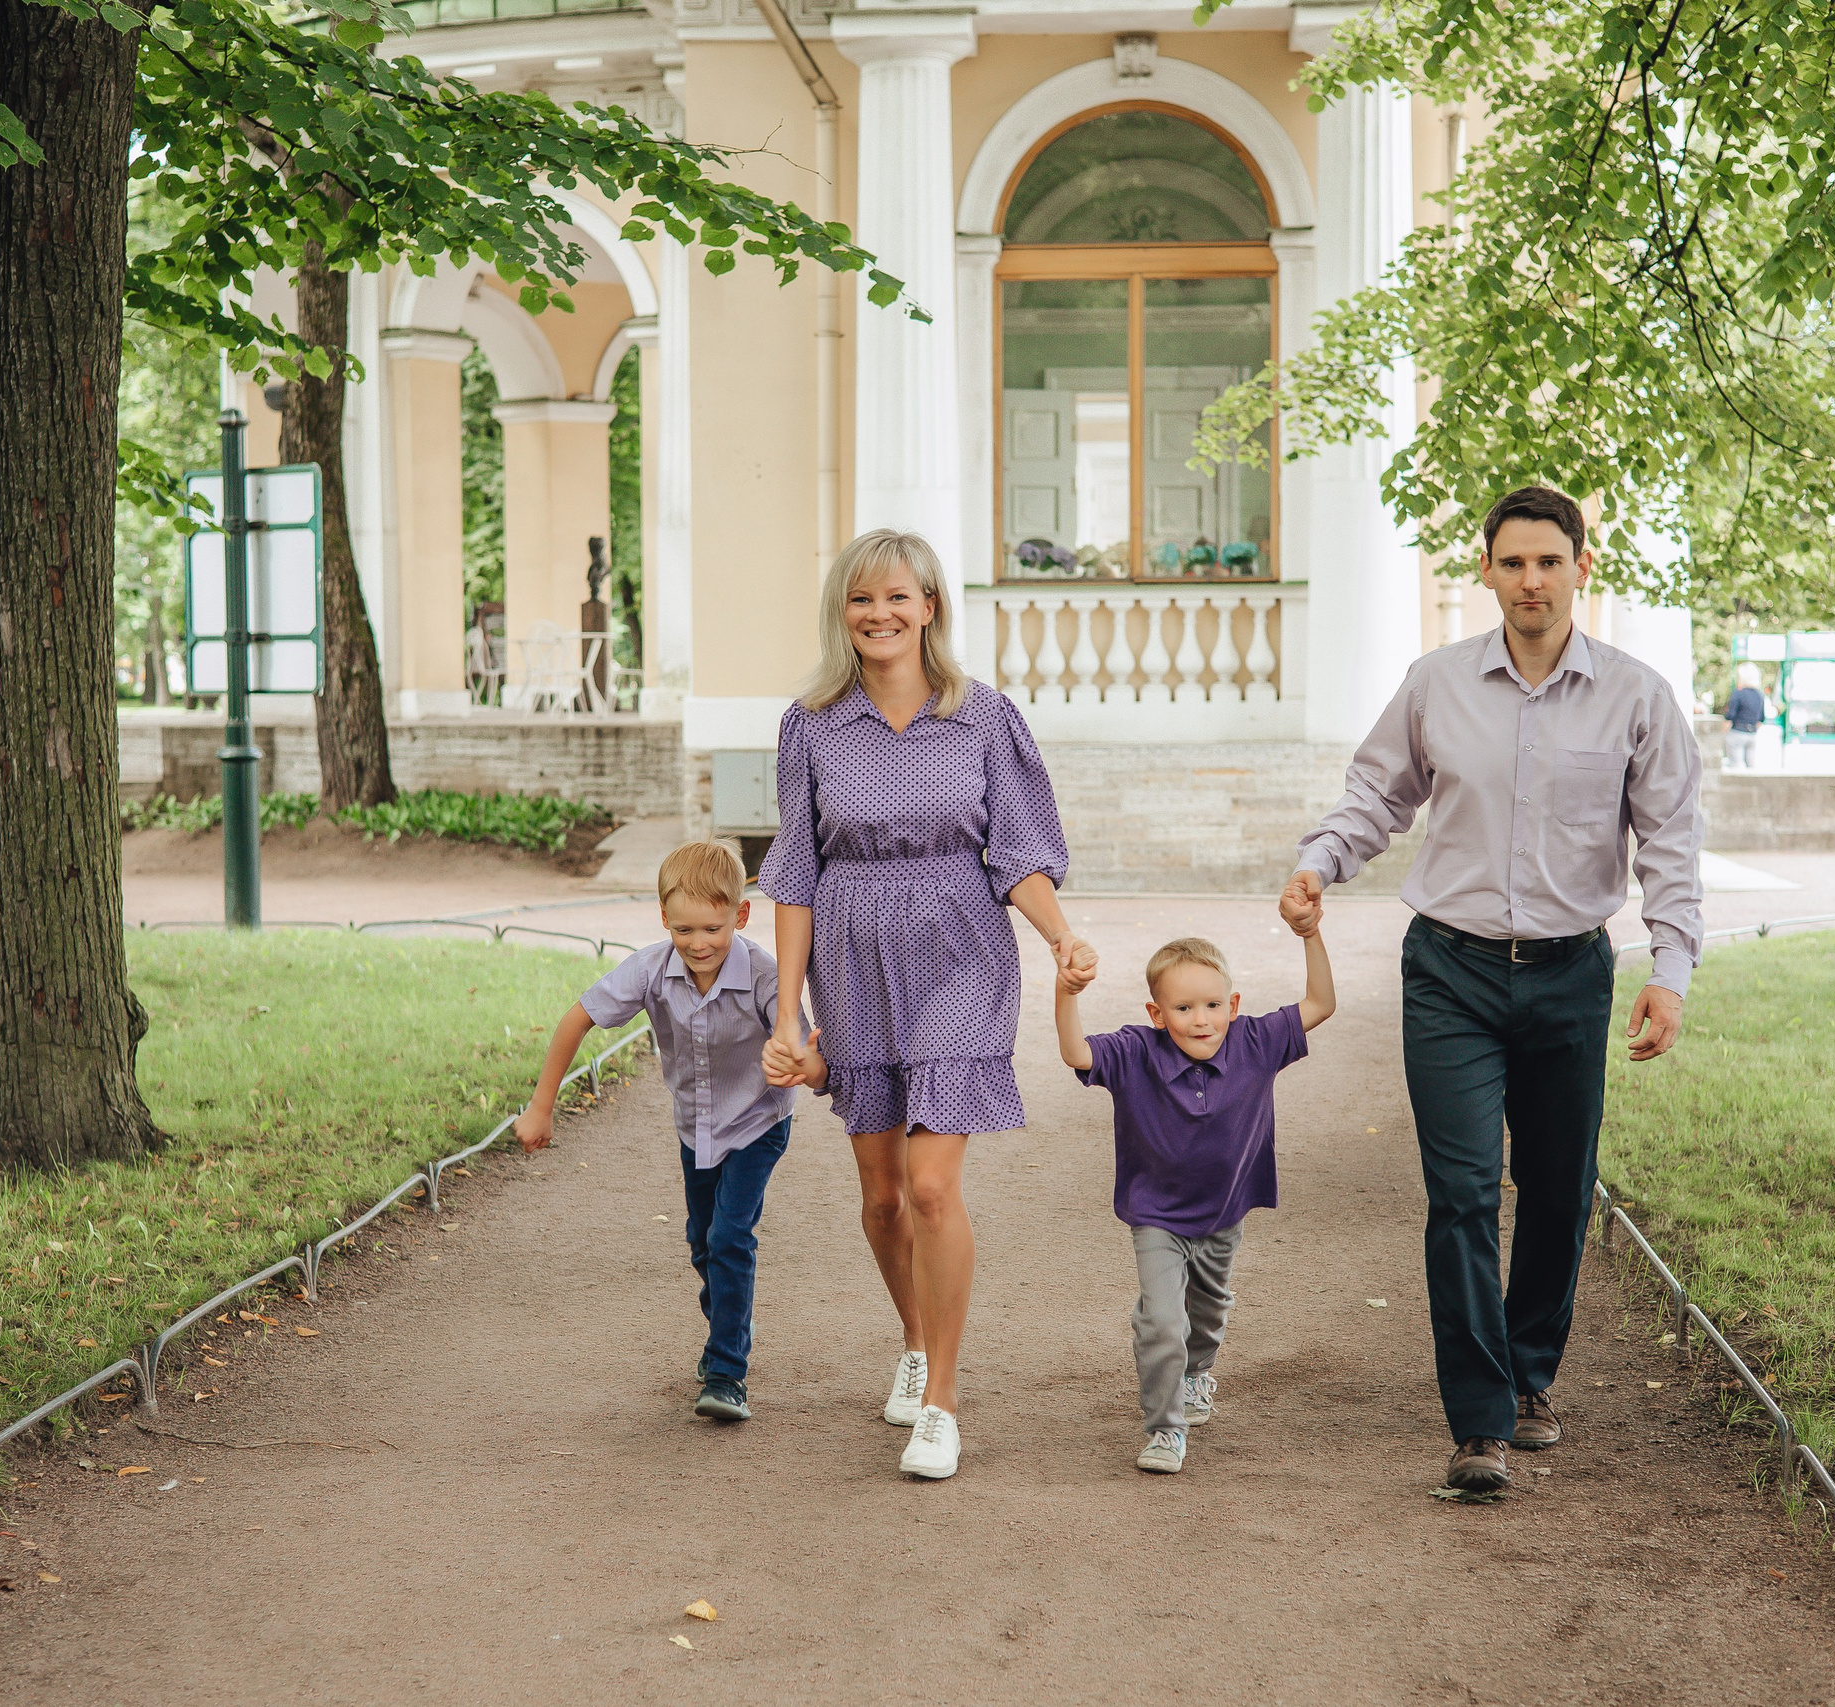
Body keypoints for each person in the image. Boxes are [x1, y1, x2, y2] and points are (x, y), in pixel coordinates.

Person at [1279, 483, 1703, 1495]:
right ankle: (1477, 1422)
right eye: (1511, 563)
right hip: (1451, 974)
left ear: (1581, 569)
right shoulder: (1435, 684)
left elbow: (1671, 845)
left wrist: (1670, 972)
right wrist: (1320, 863)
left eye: (1548, 562)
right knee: (1463, 1195)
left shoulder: (1637, 697)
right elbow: (1377, 793)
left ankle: (1528, 1378)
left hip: (1568, 973)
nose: (1529, 580)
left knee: (1557, 1194)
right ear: (1485, 571)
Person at [757, 528, 1098, 1482]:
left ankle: (941, 1402)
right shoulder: (811, 725)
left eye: (897, 597)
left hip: (960, 953)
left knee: (933, 1185)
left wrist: (1061, 934)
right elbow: (794, 872)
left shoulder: (984, 718)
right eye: (862, 600)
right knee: (881, 1196)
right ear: (845, 612)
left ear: (930, 606)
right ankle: (913, 1337)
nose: (880, 615)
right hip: (855, 960)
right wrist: (789, 1014)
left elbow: (1020, 849)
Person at [515, 839, 824, 1424]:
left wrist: (801, 1066)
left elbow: (807, 1054)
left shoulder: (762, 974)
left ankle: (727, 1370)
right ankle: (732, 1320)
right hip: (696, 1127)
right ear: (663, 919)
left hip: (758, 1122)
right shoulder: (653, 968)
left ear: (740, 914)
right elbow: (578, 1017)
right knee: (704, 1243)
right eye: (684, 930)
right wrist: (541, 1105)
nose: (699, 944)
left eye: (712, 928)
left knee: (732, 1237)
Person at [1056, 930, 1336, 1475]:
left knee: (1207, 1314)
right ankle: (1164, 1429)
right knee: (1162, 1321)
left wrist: (1310, 933)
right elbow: (1075, 1051)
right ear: (1157, 1014)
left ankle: (1197, 1372)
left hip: (1224, 1212)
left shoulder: (1255, 1042)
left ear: (1232, 1006)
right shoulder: (1136, 1050)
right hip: (1156, 1216)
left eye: (1212, 1006)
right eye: (1183, 1008)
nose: (1200, 1020)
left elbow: (1321, 1003)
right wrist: (1067, 991)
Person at [1724, 663, 1768, 770]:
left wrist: (1723, 733)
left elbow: (1730, 716)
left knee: (1735, 767)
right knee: (1751, 767)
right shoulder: (1760, 695)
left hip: (1737, 733)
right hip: (1752, 734)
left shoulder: (1738, 693)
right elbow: (1761, 718)